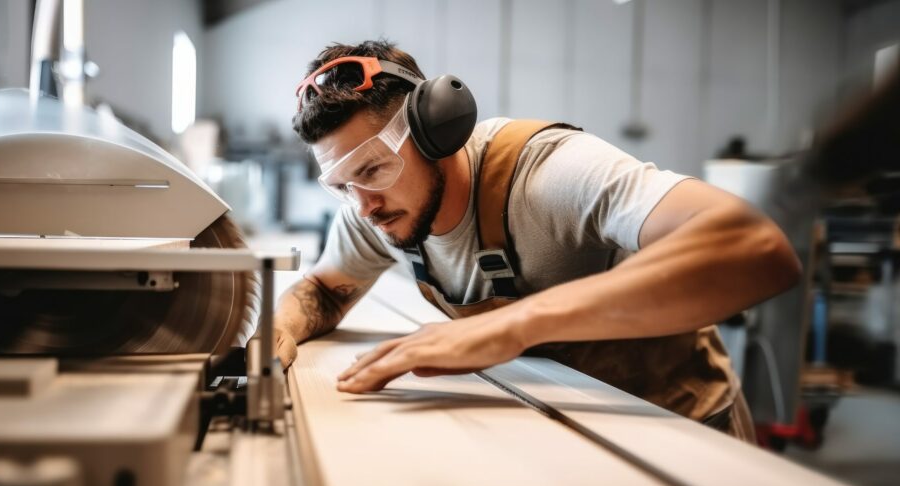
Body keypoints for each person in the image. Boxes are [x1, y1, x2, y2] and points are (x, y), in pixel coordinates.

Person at [273, 40, 801, 441]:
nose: (364, 205)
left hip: (680, 428)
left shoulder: (549, 173)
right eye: (343, 186)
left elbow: (756, 246)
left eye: (374, 169)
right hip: (562, 431)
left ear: (436, 128)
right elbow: (325, 289)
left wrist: (511, 327)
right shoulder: (375, 210)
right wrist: (279, 328)